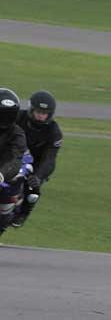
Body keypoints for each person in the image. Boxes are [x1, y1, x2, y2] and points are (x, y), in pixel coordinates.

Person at [12, 90, 63, 228]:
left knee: (33, 189)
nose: (41, 115)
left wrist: (38, 177)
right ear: (31, 109)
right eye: (38, 111)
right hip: (12, 156)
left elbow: (50, 159)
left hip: (36, 164)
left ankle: (23, 213)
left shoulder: (54, 133)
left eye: (44, 113)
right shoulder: (17, 117)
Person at [0, 88, 26, 233]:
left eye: (8, 115)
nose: (4, 119)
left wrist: (2, 174)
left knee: (5, 209)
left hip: (4, 174)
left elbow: (16, 159)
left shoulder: (17, 134)